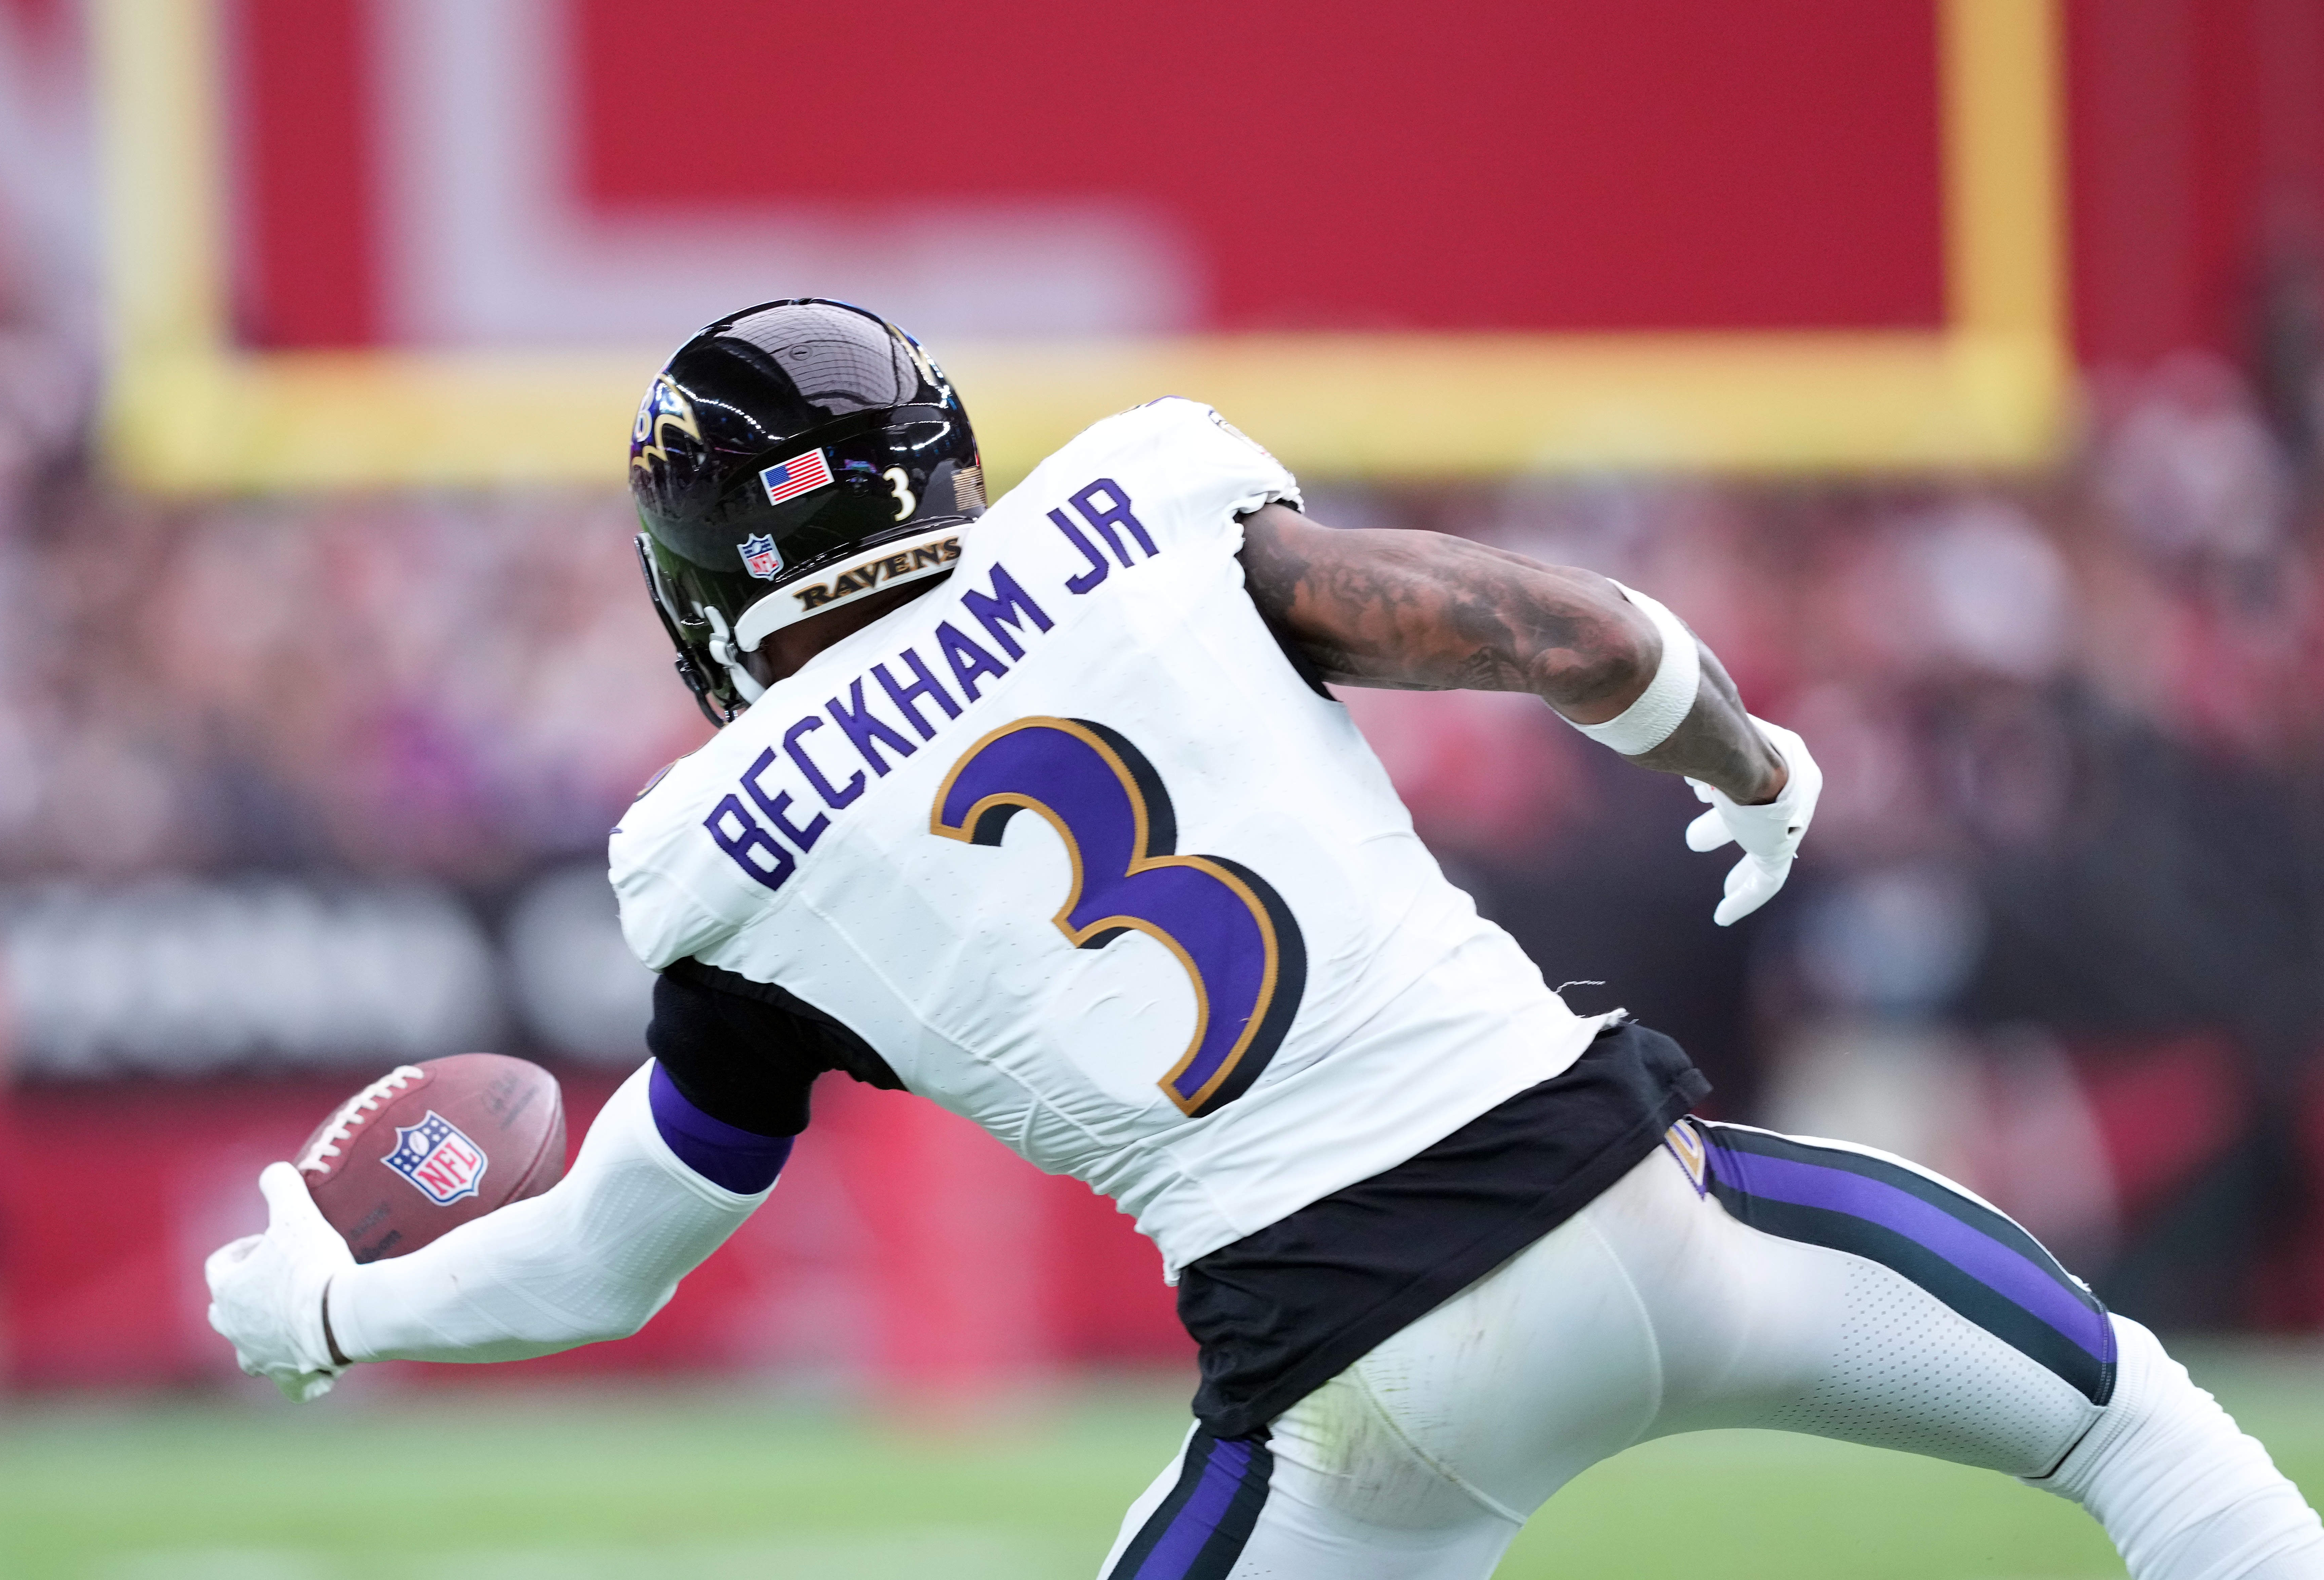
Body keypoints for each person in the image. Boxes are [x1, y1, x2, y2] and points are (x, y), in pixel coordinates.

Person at [208, 300, 2323, 1579]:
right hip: (1647, 1208)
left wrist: (330, 1312)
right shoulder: (1143, 510)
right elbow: (1576, 631)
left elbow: (607, 1251)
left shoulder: (727, 857)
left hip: (1348, 1376)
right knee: (2142, 1424)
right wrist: (1752, 766)